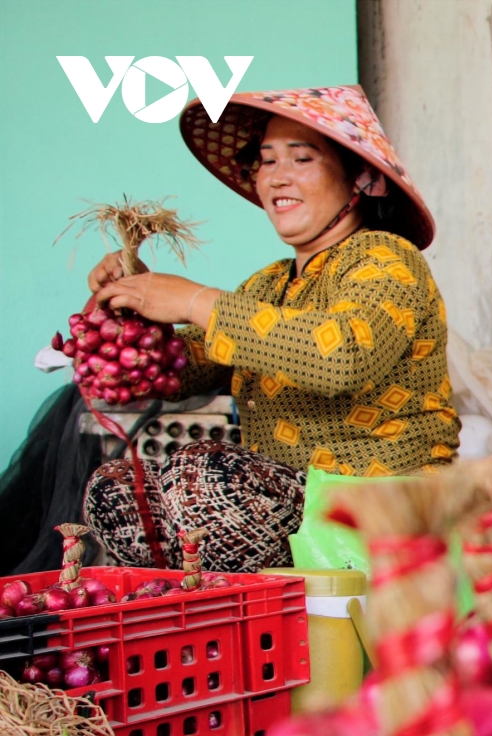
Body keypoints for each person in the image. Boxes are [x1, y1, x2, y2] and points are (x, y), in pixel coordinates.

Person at [82, 86, 459, 572]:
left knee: (206, 475)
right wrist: (122, 316)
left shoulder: (387, 258)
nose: (278, 176)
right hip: (297, 510)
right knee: (117, 493)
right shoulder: (267, 285)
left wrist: (194, 299)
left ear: (360, 178)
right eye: (266, 160)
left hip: (383, 510)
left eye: (302, 159)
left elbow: (341, 358)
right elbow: (174, 373)